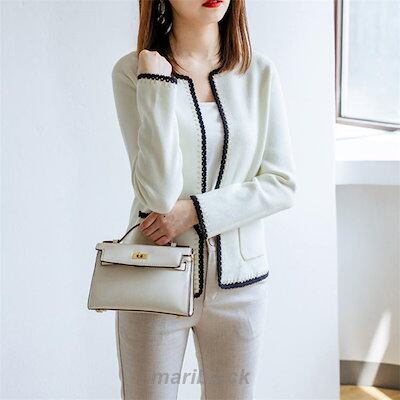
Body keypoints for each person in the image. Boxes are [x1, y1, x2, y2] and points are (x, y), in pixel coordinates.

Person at [111, 0, 296, 398]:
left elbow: (281, 184)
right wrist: (155, 84)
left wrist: (196, 211)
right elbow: (157, 194)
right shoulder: (133, 71)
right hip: (154, 280)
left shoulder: (258, 73)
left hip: (240, 287)